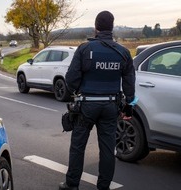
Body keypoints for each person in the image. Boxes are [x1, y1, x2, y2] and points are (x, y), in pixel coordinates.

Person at [59, 10, 136, 190]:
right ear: (112, 27)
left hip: (86, 106)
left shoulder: (85, 49)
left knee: (78, 146)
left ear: (96, 28)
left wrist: (72, 94)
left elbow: (71, 79)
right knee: (108, 149)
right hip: (111, 106)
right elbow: (129, 83)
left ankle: (72, 184)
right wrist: (129, 105)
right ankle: (103, 186)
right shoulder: (123, 52)